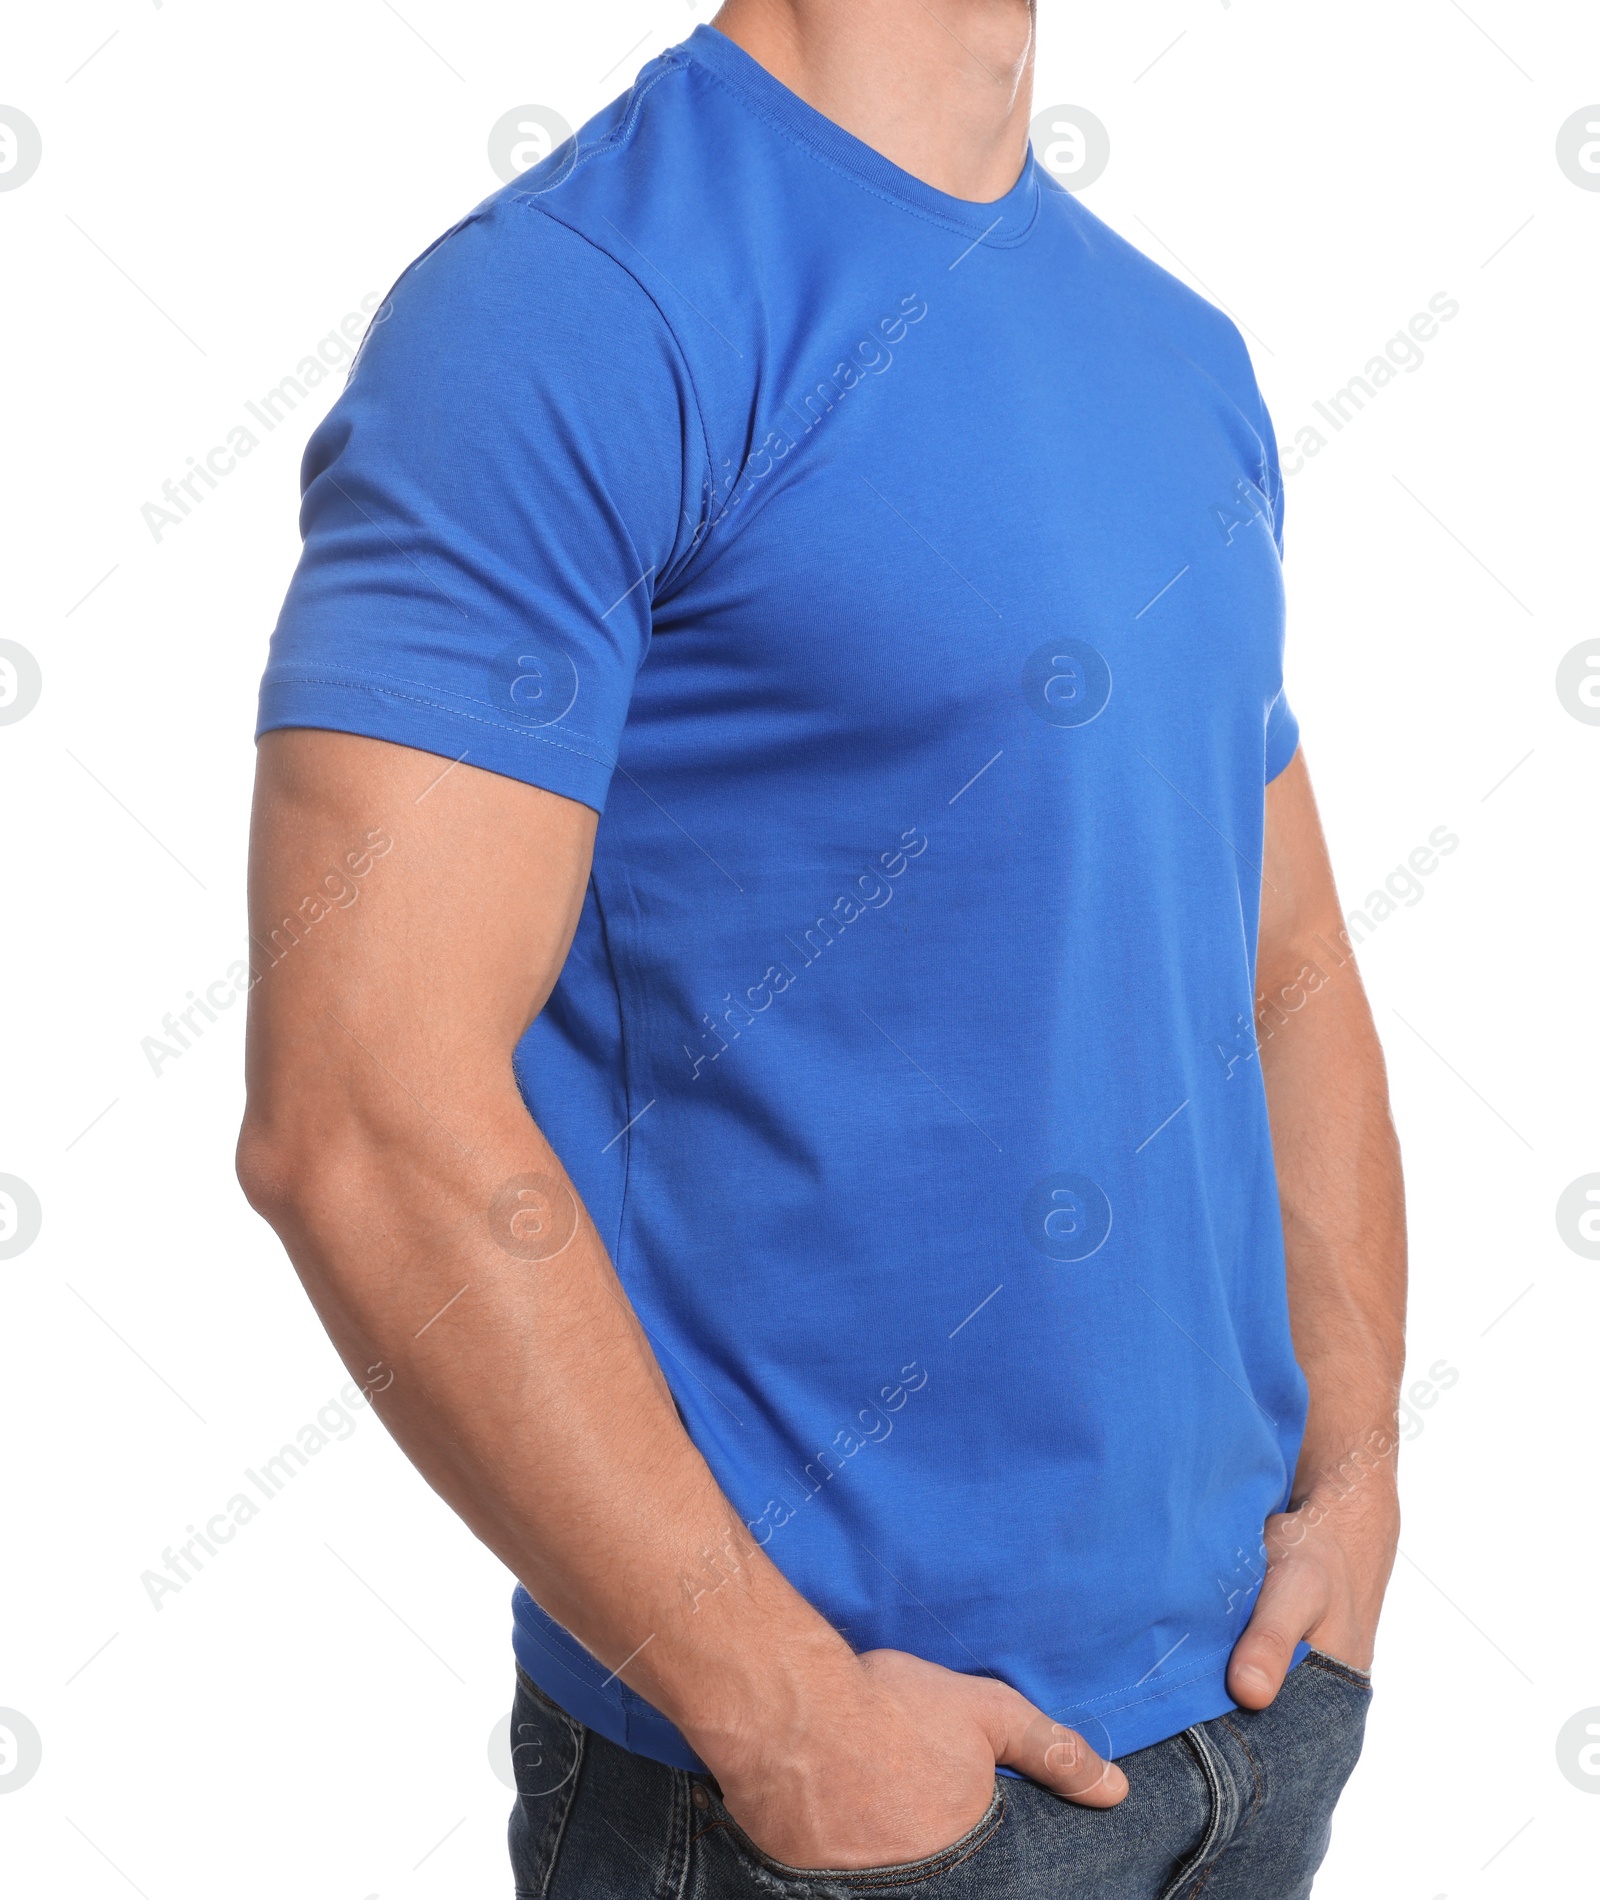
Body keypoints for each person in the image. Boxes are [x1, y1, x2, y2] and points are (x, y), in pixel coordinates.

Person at [237, 2, 1406, 1893]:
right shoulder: (567, 309)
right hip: (827, 1809)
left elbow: (1279, 957)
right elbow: (360, 1115)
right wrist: (778, 1711)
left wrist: (1352, 1487)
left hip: (1250, 1738)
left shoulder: (1181, 353)